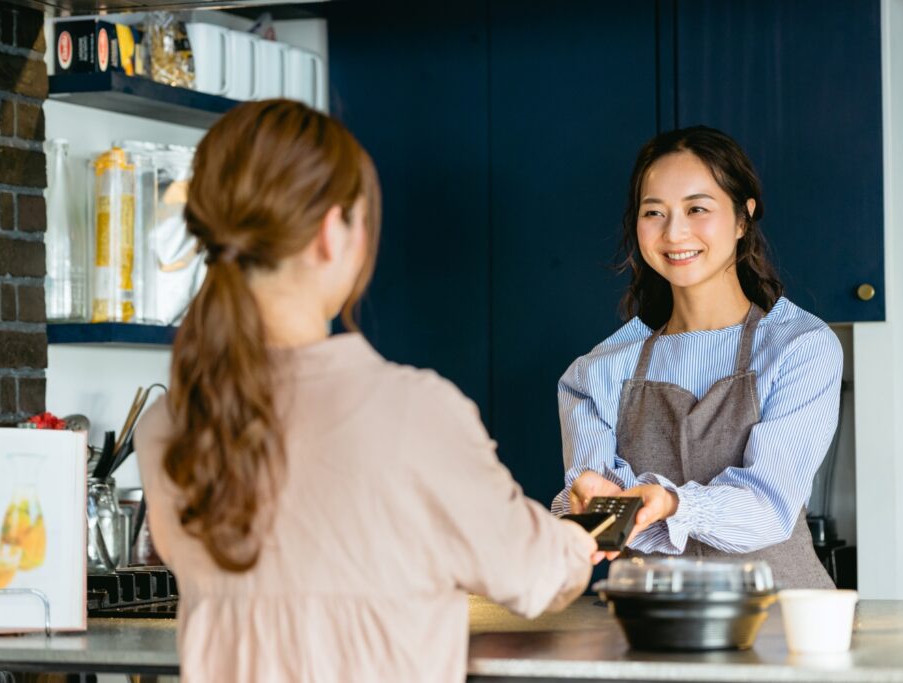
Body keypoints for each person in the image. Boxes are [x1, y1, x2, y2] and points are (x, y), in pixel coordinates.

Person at [135, 100, 597, 683]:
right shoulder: (415, 412)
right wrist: (581, 537)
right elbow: (536, 576)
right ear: (333, 233)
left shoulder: (166, 424)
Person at [551, 126, 841, 589]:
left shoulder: (799, 347)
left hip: (780, 628)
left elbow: (770, 508)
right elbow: (597, 514)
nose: (675, 232)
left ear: (743, 217)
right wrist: (588, 507)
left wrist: (672, 504)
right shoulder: (597, 372)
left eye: (697, 208)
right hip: (652, 627)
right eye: (654, 213)